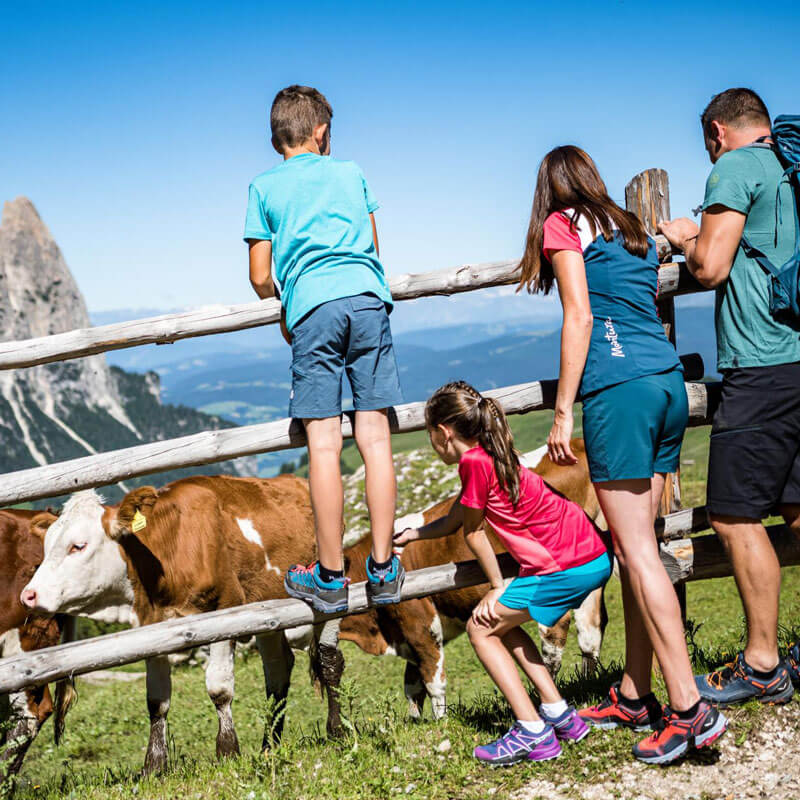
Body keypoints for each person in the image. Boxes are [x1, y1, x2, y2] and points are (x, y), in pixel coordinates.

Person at [519, 145, 727, 764]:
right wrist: (683, 228)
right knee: (640, 549)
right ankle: (636, 692)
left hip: (620, 391)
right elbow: (683, 234)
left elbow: (579, 316)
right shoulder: (631, 226)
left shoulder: (564, 224)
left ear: (550, 188)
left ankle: (689, 710)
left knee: (637, 554)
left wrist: (562, 408)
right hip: (666, 387)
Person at [659, 88, 799, 705]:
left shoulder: (736, 166)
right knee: (797, 507)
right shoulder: (790, 166)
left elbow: (712, 266)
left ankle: (762, 662)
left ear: (717, 130)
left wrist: (686, 235)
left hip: (761, 363)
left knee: (734, 514)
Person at [244, 85, 404, 613]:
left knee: (324, 446)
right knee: (375, 437)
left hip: (313, 310)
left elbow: (261, 277)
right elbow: (374, 248)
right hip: (367, 300)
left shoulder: (263, 188)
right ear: (322, 132)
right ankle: (383, 570)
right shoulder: (351, 172)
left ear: (276, 139)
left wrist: (286, 300)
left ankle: (332, 578)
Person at [394, 381, 612, 765]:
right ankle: (561, 715)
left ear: (443, 433)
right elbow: (456, 518)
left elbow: (473, 531)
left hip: (565, 567)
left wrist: (496, 587)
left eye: (430, 434)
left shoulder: (472, 463)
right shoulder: (491, 456)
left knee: (481, 627)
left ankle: (532, 732)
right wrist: (414, 535)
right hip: (589, 555)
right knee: (502, 624)